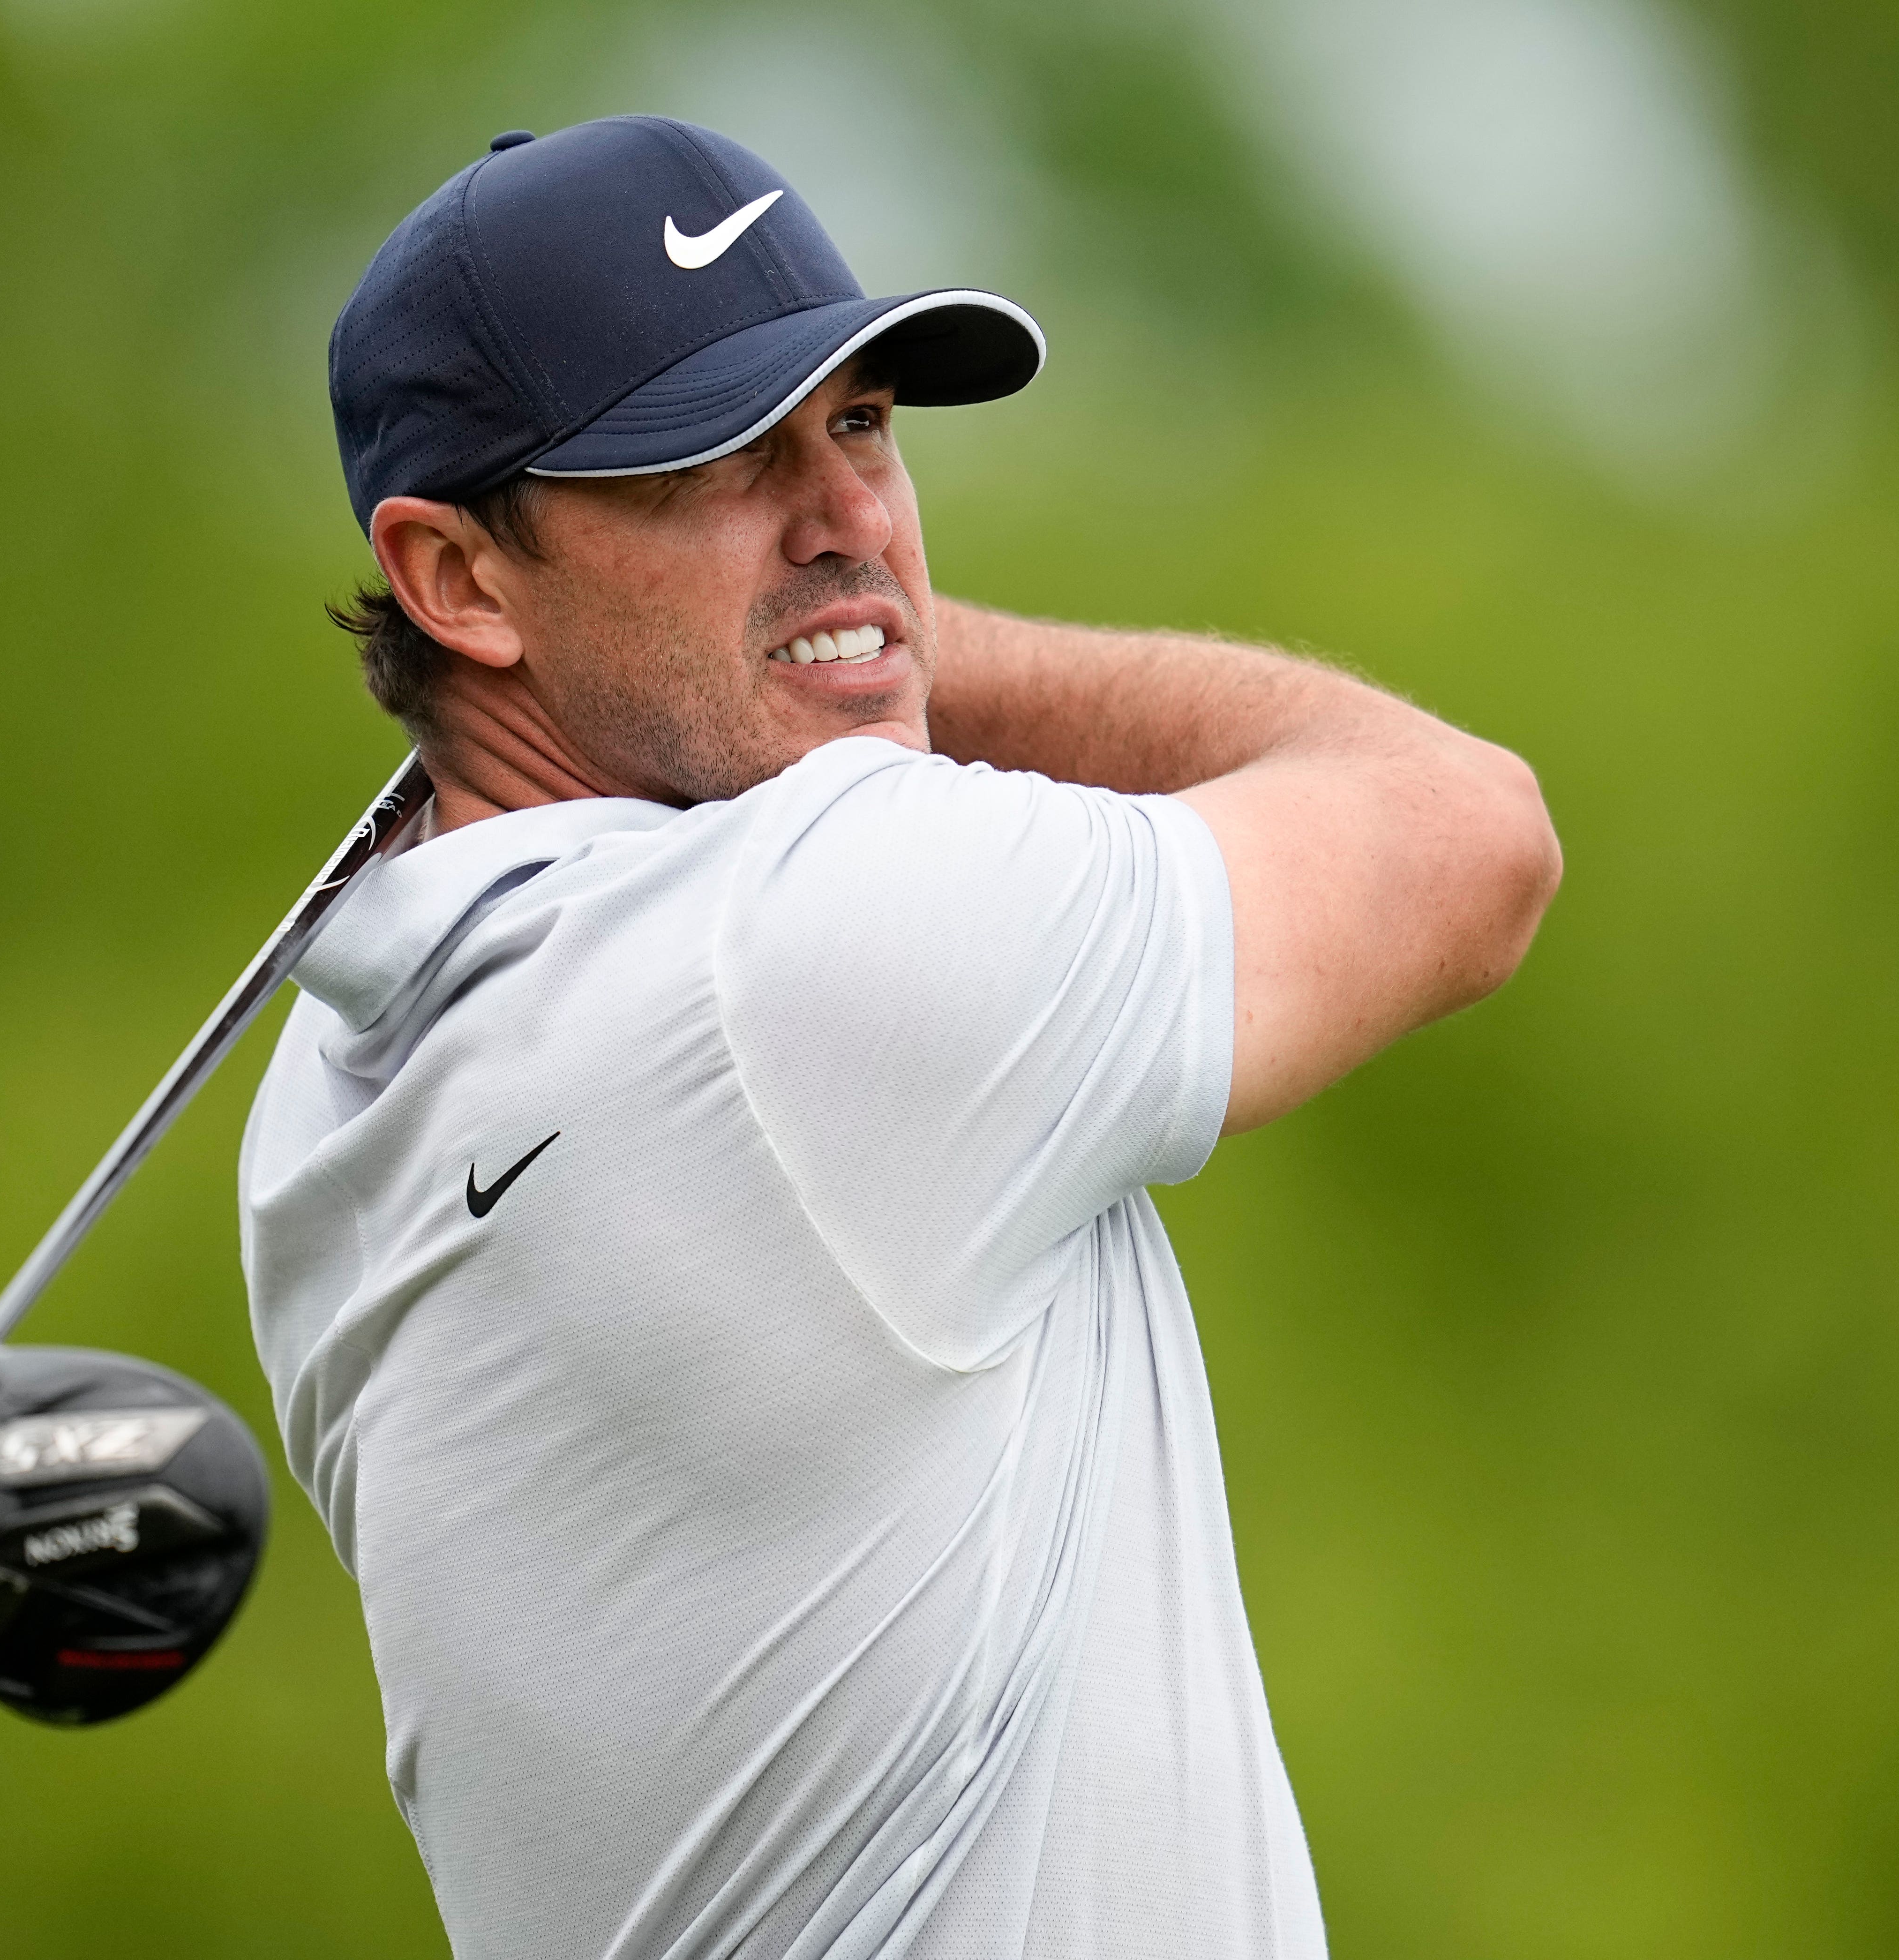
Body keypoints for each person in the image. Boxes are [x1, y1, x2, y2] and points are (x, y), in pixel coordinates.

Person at [240, 117, 1560, 1959]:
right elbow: (1468, 838)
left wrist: (823, 640)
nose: (845, 510)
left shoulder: (325, 1090)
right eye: (708, 456)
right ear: (458, 580)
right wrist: (899, 645)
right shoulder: (797, 943)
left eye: (856, 425)